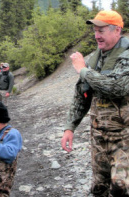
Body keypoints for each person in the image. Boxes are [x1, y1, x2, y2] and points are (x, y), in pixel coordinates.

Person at [61, 10, 129, 196]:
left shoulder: (127, 56)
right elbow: (82, 94)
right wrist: (70, 127)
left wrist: (83, 70)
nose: (97, 35)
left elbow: (118, 87)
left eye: (102, 30)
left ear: (117, 30)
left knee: (121, 187)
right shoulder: (95, 59)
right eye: (95, 31)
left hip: (124, 138)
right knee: (99, 188)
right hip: (99, 137)